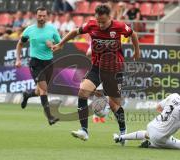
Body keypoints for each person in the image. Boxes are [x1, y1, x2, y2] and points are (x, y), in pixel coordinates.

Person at [52, 4, 140, 144]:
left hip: (114, 69)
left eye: (103, 22)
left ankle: (123, 132)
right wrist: (61, 43)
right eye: (98, 21)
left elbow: (133, 34)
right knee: (82, 92)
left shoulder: (119, 26)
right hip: (97, 67)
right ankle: (84, 130)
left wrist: (137, 51)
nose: (100, 24)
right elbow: (75, 32)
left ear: (109, 18)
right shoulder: (92, 25)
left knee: (114, 104)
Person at [113, 79, 180, 153]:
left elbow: (158, 107)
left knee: (147, 134)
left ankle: (121, 137)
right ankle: (150, 144)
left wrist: (168, 115)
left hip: (152, 126)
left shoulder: (174, 95)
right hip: (160, 137)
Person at [15, 7, 61, 125]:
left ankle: (27, 95)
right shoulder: (29, 30)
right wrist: (18, 59)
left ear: (47, 16)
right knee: (44, 89)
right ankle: (50, 117)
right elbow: (20, 44)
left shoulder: (52, 29)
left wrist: (52, 46)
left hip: (49, 63)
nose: (41, 18)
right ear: (36, 16)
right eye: (39, 16)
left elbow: (61, 45)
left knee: (39, 90)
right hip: (35, 63)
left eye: (44, 16)